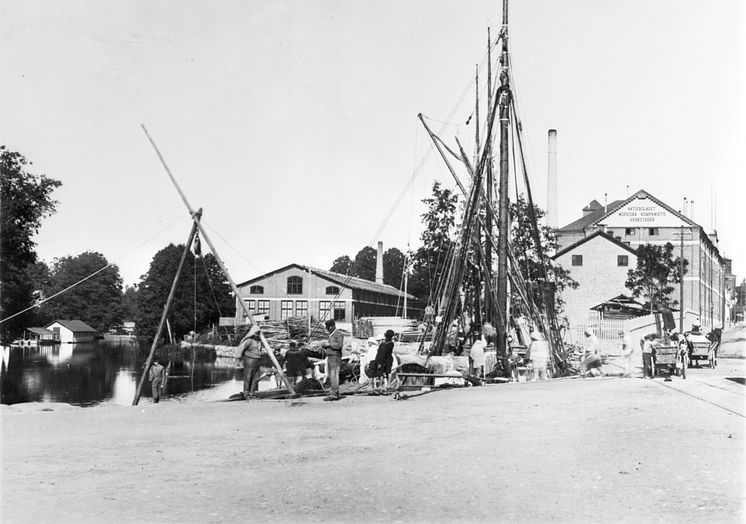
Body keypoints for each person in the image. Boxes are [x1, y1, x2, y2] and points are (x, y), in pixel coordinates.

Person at [237, 325, 263, 399]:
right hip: (250, 360)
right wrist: (240, 360)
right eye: (256, 333)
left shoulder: (259, 341)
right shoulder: (248, 341)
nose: (257, 335)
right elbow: (240, 349)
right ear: (252, 333)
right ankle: (246, 394)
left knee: (256, 378)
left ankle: (252, 393)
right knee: (248, 377)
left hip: (257, 360)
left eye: (258, 333)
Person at [322, 319, 344, 401]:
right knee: (331, 375)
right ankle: (334, 392)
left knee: (334, 374)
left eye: (328, 327)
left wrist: (329, 344)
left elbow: (339, 345)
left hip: (335, 356)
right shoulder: (332, 334)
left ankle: (334, 394)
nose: (327, 329)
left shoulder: (338, 334)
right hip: (331, 356)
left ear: (332, 326)